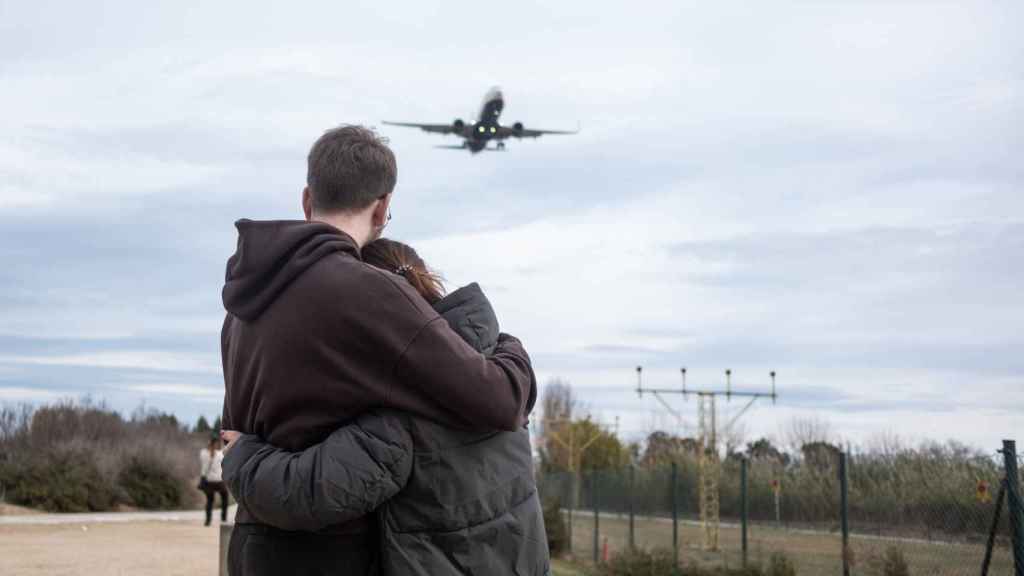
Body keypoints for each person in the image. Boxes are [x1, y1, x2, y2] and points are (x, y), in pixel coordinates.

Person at [220, 126, 536, 576]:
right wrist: (511, 349)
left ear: (308, 200)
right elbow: (498, 401)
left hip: (254, 551)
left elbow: (235, 438)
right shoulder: (371, 294)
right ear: (383, 207)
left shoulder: (240, 310)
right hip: (338, 557)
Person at [198, 436, 228, 526]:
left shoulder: (203, 453)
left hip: (209, 480)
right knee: (224, 498)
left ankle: (208, 521)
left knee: (210, 500)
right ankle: (223, 519)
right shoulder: (219, 453)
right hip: (218, 480)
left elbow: (204, 467)